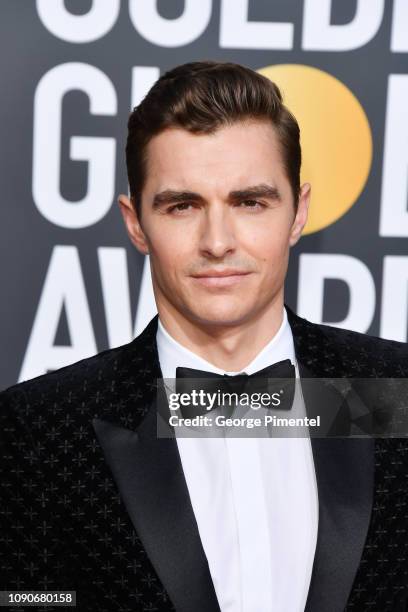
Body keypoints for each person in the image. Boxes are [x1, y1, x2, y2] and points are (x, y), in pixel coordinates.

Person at [1, 61, 407, 612]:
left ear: (298, 213)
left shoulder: (394, 392)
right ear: (136, 223)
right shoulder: (42, 429)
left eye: (250, 202)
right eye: (183, 206)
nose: (217, 241)